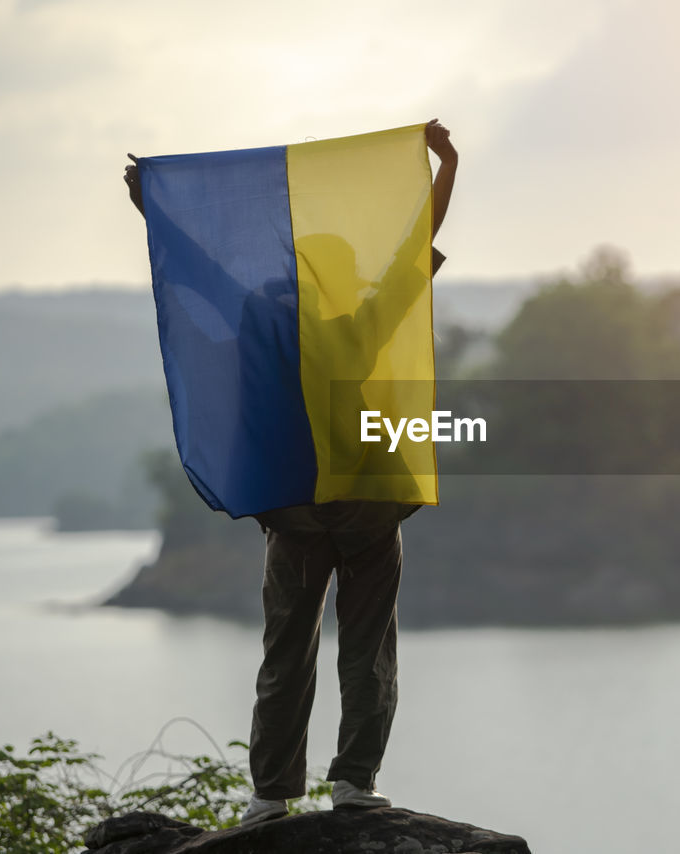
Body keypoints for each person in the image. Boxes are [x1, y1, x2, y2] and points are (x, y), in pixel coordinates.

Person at [124, 119, 457, 824]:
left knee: (286, 653)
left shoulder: (253, 322)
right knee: (368, 647)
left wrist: (150, 203)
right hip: (367, 504)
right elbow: (409, 252)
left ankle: (271, 795)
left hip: (295, 513)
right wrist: (445, 165)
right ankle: (353, 785)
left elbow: (201, 271)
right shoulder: (357, 327)